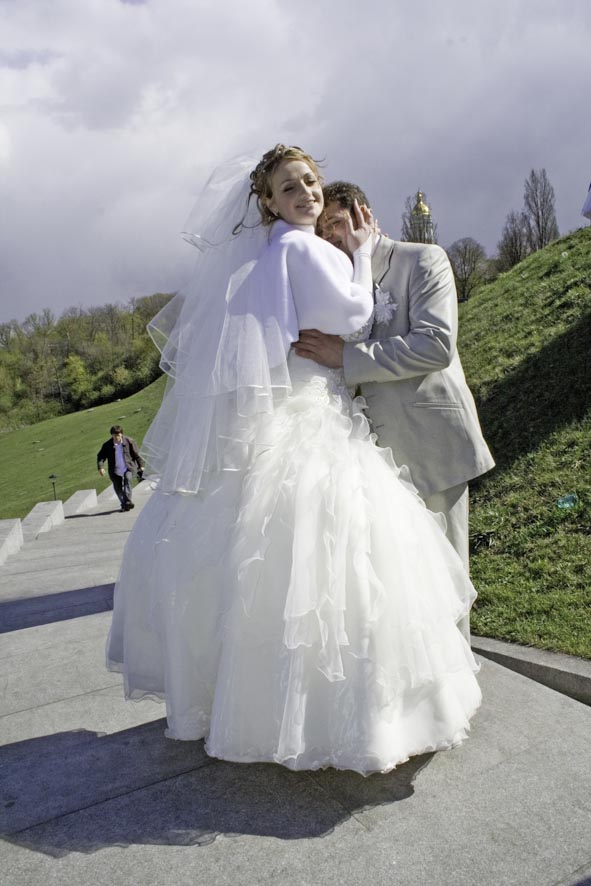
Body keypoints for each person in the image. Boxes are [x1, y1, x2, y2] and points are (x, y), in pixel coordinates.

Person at [107, 146, 481, 775]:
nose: (308, 197)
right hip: (319, 417)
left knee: (321, 572)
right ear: (268, 202)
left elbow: (429, 342)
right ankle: (371, 713)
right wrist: (358, 258)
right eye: (291, 188)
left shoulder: (318, 256)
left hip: (377, 423)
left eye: (313, 184)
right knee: (350, 568)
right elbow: (355, 312)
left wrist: (352, 283)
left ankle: (295, 707)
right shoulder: (300, 249)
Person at [296, 182, 495, 638]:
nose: (332, 239)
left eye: (338, 224)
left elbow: (436, 345)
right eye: (323, 233)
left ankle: (454, 674)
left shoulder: (422, 260)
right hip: (365, 460)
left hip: (429, 446)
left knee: (445, 578)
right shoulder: (336, 285)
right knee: (394, 589)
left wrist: (346, 358)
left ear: (364, 215)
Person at [97, 425, 144, 512]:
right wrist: (101, 467)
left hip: (128, 467)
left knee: (127, 480)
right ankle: (124, 504)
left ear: (121, 434)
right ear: (112, 435)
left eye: (118, 435)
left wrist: (141, 465)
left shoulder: (129, 441)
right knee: (118, 488)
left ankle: (128, 502)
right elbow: (100, 457)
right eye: (114, 435)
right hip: (115, 470)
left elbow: (137, 454)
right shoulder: (107, 445)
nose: (116, 437)